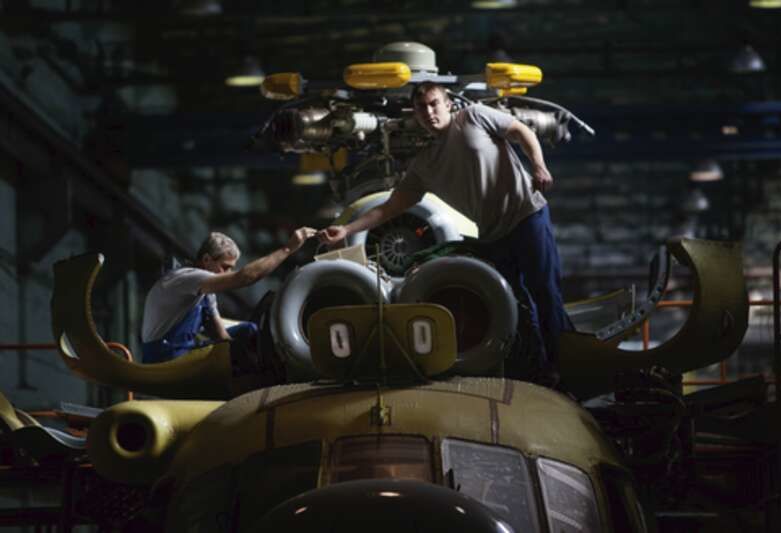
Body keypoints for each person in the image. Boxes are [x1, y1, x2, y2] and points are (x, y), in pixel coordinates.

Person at [319, 82, 572, 382]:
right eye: (421, 108)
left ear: (448, 104)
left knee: (545, 292)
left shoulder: (475, 116)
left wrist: (538, 165)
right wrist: (346, 228)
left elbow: (520, 130)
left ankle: (569, 364)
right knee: (515, 304)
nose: (429, 112)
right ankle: (540, 371)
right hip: (493, 235)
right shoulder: (424, 164)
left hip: (526, 215)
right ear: (415, 114)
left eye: (434, 103)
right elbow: (390, 208)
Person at [141, 228, 316, 364]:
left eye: (231, 268)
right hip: (163, 355)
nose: (228, 273)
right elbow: (245, 278)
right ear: (207, 260)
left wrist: (244, 354)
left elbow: (221, 335)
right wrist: (287, 249)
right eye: (225, 267)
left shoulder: (206, 290)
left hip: (183, 349)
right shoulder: (187, 278)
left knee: (248, 330)